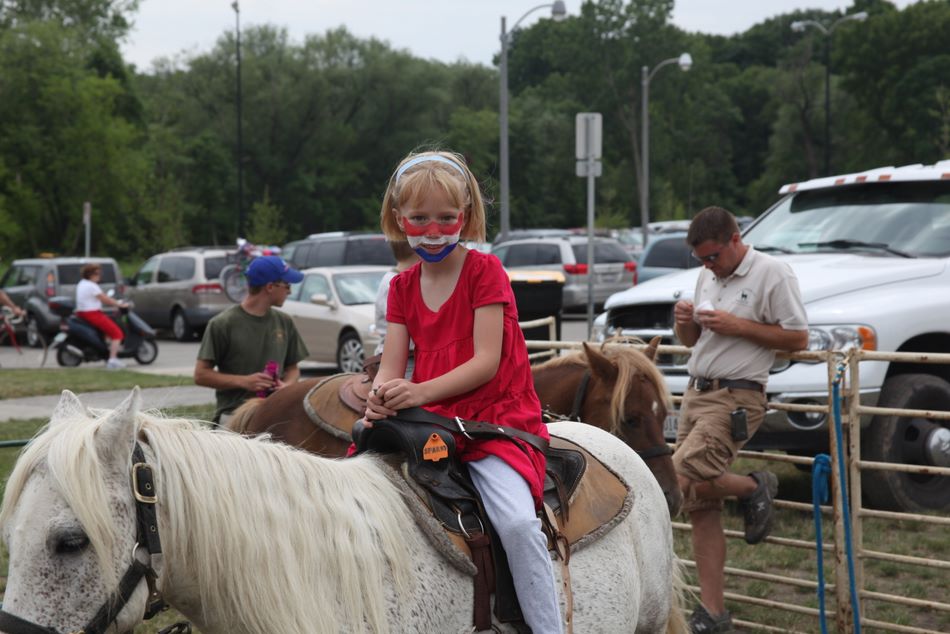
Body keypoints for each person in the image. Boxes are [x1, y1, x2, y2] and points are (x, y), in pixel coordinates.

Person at [364, 150, 562, 633]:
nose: (432, 231)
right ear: (398, 218)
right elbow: (391, 365)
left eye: (446, 218)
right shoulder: (401, 287)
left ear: (466, 216)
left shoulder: (484, 271)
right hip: (430, 417)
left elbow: (485, 362)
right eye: (419, 219)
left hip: (491, 420)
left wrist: (416, 392)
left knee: (517, 524)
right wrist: (380, 395)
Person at [672, 206, 808, 633]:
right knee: (699, 504)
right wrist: (683, 324)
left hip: (737, 394)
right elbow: (693, 341)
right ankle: (713, 613)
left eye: (713, 256)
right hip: (697, 391)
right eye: (701, 260)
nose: (709, 266)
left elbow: (798, 338)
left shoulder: (772, 273)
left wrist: (738, 325)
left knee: (678, 477)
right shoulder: (708, 274)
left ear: (735, 239)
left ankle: (753, 486)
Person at [194, 255, 309, 426]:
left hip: (276, 416)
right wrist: (244, 382)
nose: (290, 292)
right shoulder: (222, 324)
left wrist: (287, 386)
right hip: (234, 419)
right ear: (270, 287)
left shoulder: (285, 322)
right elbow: (201, 375)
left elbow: (293, 369)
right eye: (287, 285)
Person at [76, 263, 129, 369]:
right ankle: (112, 360)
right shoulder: (92, 286)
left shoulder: (82, 283)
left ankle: (107, 351)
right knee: (117, 334)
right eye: (97, 274)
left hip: (83, 313)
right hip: (92, 314)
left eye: (100, 273)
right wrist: (120, 304)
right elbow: (105, 299)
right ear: (90, 274)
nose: (99, 276)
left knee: (107, 331)